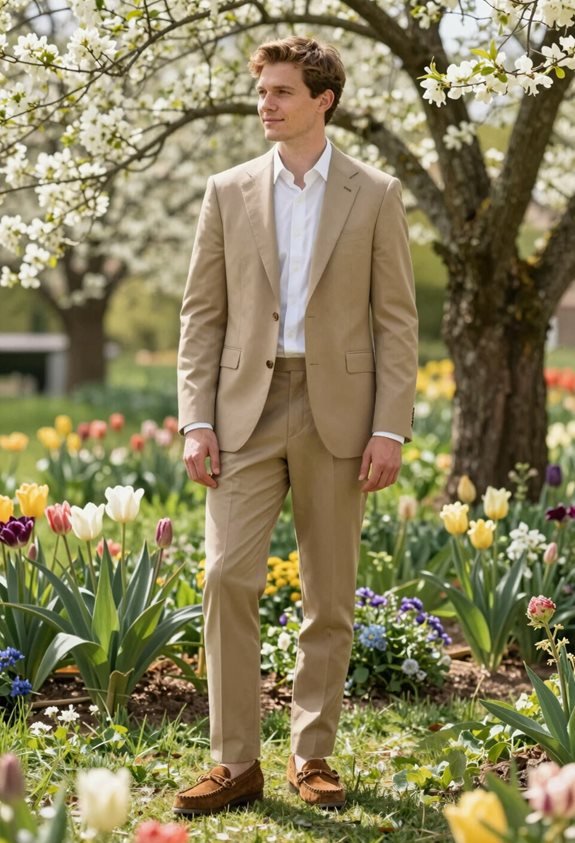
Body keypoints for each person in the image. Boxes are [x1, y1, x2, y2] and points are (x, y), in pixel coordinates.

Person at [174, 35, 418, 817]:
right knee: (224, 577)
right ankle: (232, 761)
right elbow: (201, 315)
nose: (265, 105)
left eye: (281, 92)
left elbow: (397, 322)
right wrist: (195, 419)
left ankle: (312, 755)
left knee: (329, 595)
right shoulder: (227, 190)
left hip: (338, 412)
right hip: (243, 407)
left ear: (323, 100)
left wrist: (391, 427)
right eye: (262, 92)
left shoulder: (374, 194)